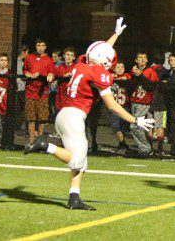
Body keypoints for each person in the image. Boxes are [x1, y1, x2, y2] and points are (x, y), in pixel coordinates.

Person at [24, 18, 155, 210]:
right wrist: (135, 120)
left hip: (64, 115)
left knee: (81, 162)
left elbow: (99, 52)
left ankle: (74, 197)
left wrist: (116, 35)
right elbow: (112, 106)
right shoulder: (99, 75)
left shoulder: (82, 63)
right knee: (77, 159)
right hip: (74, 117)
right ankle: (46, 145)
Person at [23, 38, 55, 144]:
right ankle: (31, 141)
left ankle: (39, 141)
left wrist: (50, 76)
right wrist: (28, 74)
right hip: (30, 92)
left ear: (45, 47)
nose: (40, 48)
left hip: (43, 93)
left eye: (42, 45)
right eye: (38, 45)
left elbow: (51, 73)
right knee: (31, 118)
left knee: (43, 118)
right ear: (35, 46)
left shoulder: (49, 60)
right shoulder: (29, 58)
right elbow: (25, 70)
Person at [129, 52, 159, 157]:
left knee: (134, 126)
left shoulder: (150, 71)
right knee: (139, 127)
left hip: (144, 102)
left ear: (147, 60)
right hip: (134, 101)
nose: (142, 59)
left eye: (144, 58)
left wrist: (140, 76)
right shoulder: (133, 71)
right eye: (140, 58)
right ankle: (144, 148)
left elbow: (151, 87)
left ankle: (146, 148)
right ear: (136, 60)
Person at [110, 62, 132, 153]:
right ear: (114, 69)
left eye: (122, 67)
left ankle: (122, 144)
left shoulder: (126, 75)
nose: (120, 68)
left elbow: (127, 77)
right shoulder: (110, 76)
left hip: (124, 106)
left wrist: (120, 78)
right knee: (116, 126)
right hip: (114, 106)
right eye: (118, 67)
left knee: (124, 127)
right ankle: (123, 144)